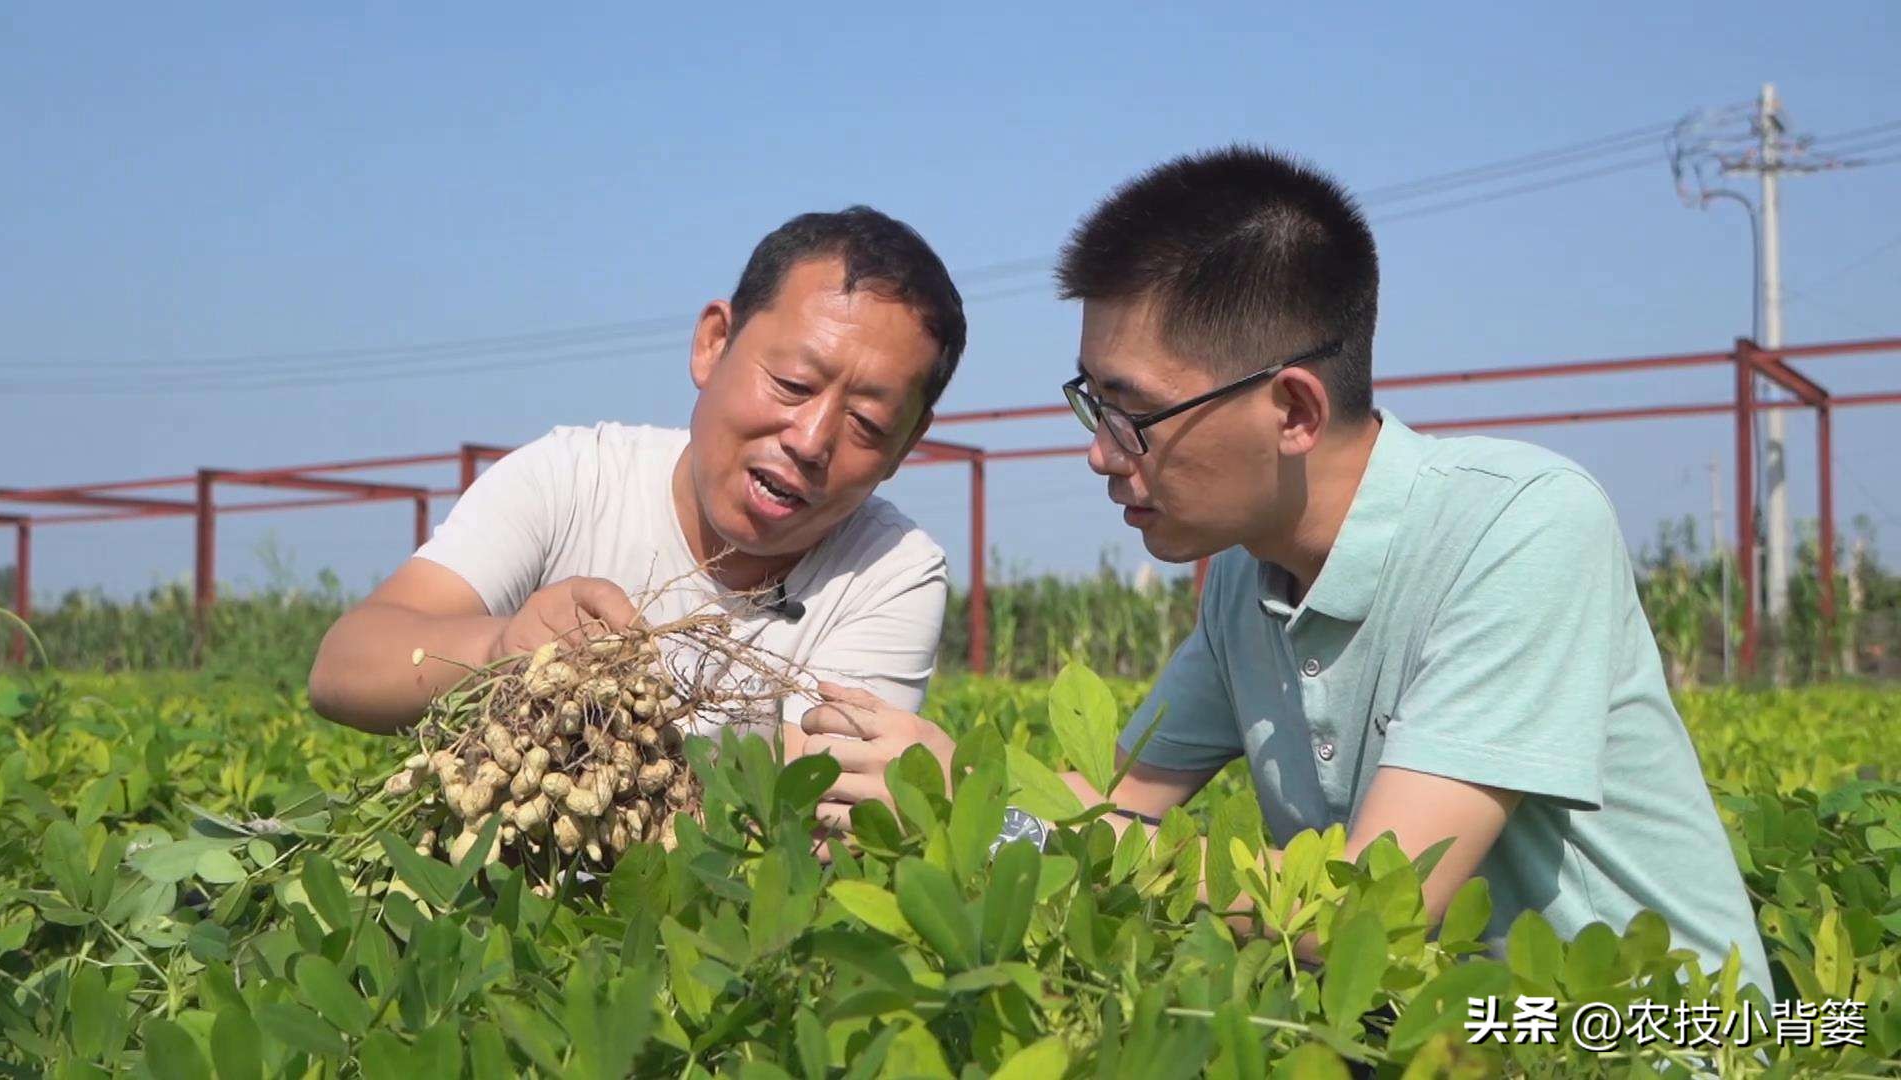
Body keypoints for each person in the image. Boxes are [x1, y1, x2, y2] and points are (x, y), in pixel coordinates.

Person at [800, 147, 1775, 999]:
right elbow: (1108, 799)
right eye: (1090, 403)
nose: (1101, 453)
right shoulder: (1244, 583)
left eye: (1131, 412)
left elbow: (1371, 912)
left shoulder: (1519, 527)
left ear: (1295, 411)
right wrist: (928, 797)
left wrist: (987, 807)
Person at [309, 205, 965, 757]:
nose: (811, 440)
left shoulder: (890, 571)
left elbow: (798, 811)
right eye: (792, 385)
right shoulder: (571, 478)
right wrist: (503, 647)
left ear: (906, 444)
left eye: (867, 423)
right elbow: (345, 667)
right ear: (713, 344)